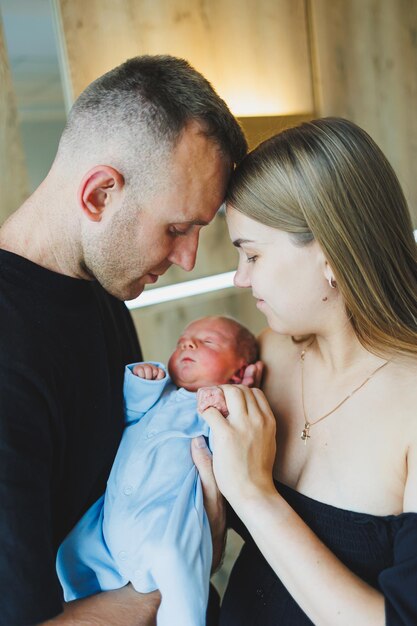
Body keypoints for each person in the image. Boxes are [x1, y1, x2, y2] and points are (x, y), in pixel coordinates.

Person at [0, 55, 247, 626]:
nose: (187, 259)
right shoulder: (10, 359)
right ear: (99, 195)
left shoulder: (102, 289)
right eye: (176, 228)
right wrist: (171, 576)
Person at [197, 117, 417, 625]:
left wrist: (255, 495)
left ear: (328, 252)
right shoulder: (267, 357)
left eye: (252, 254)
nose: (240, 277)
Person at [56, 315, 258, 626]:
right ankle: (80, 597)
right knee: (71, 552)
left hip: (164, 519)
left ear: (239, 371)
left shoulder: (215, 409)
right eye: (181, 343)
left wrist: (233, 401)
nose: (187, 344)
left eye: (207, 342)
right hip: (113, 515)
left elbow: (229, 449)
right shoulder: (158, 394)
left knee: (175, 564)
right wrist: (141, 382)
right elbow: (127, 415)